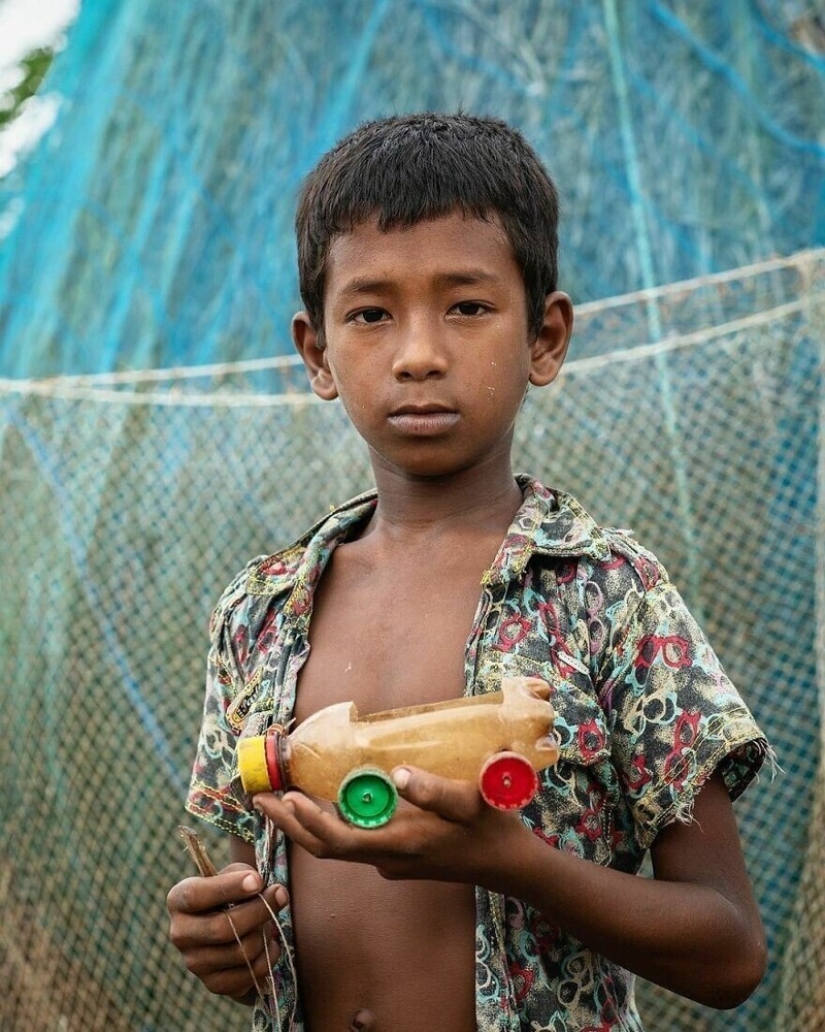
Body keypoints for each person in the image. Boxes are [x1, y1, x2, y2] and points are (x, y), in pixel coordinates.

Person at [167, 112, 770, 1032]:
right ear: (317, 354)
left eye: (467, 306)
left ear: (545, 338)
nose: (417, 354)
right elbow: (257, 908)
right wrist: (231, 941)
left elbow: (728, 950)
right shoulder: (261, 610)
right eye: (371, 313)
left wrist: (513, 861)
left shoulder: (607, 595)